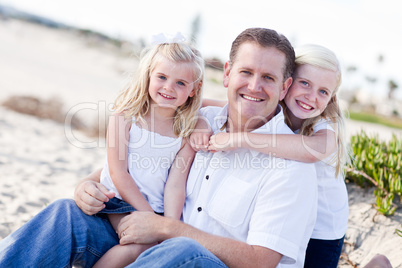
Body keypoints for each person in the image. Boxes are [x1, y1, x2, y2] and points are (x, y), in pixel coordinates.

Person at [0, 28, 317, 267]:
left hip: (197, 259)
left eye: (268, 78)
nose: (254, 86)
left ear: (285, 86)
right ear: (228, 73)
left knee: (182, 249)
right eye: (246, 72)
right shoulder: (197, 120)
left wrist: (166, 228)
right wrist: (87, 184)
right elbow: (136, 163)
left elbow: (260, 261)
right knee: (65, 213)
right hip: (151, 241)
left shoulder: (291, 166)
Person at [200, 44, 350, 267]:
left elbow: (314, 150)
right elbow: (212, 105)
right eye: (305, 83)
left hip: (322, 230)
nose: (311, 96)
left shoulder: (324, 123)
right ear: (286, 82)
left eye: (323, 92)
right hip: (291, 219)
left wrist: (239, 139)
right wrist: (201, 122)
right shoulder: (275, 106)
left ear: (331, 98)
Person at [91, 37, 204, 267]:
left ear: (194, 89)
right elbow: (118, 173)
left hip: (158, 211)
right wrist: (149, 218)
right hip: (120, 201)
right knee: (139, 248)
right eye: (162, 77)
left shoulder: (184, 133)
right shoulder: (125, 117)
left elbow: (175, 183)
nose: (168, 87)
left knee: (161, 248)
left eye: (181, 83)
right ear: (149, 76)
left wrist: (168, 226)